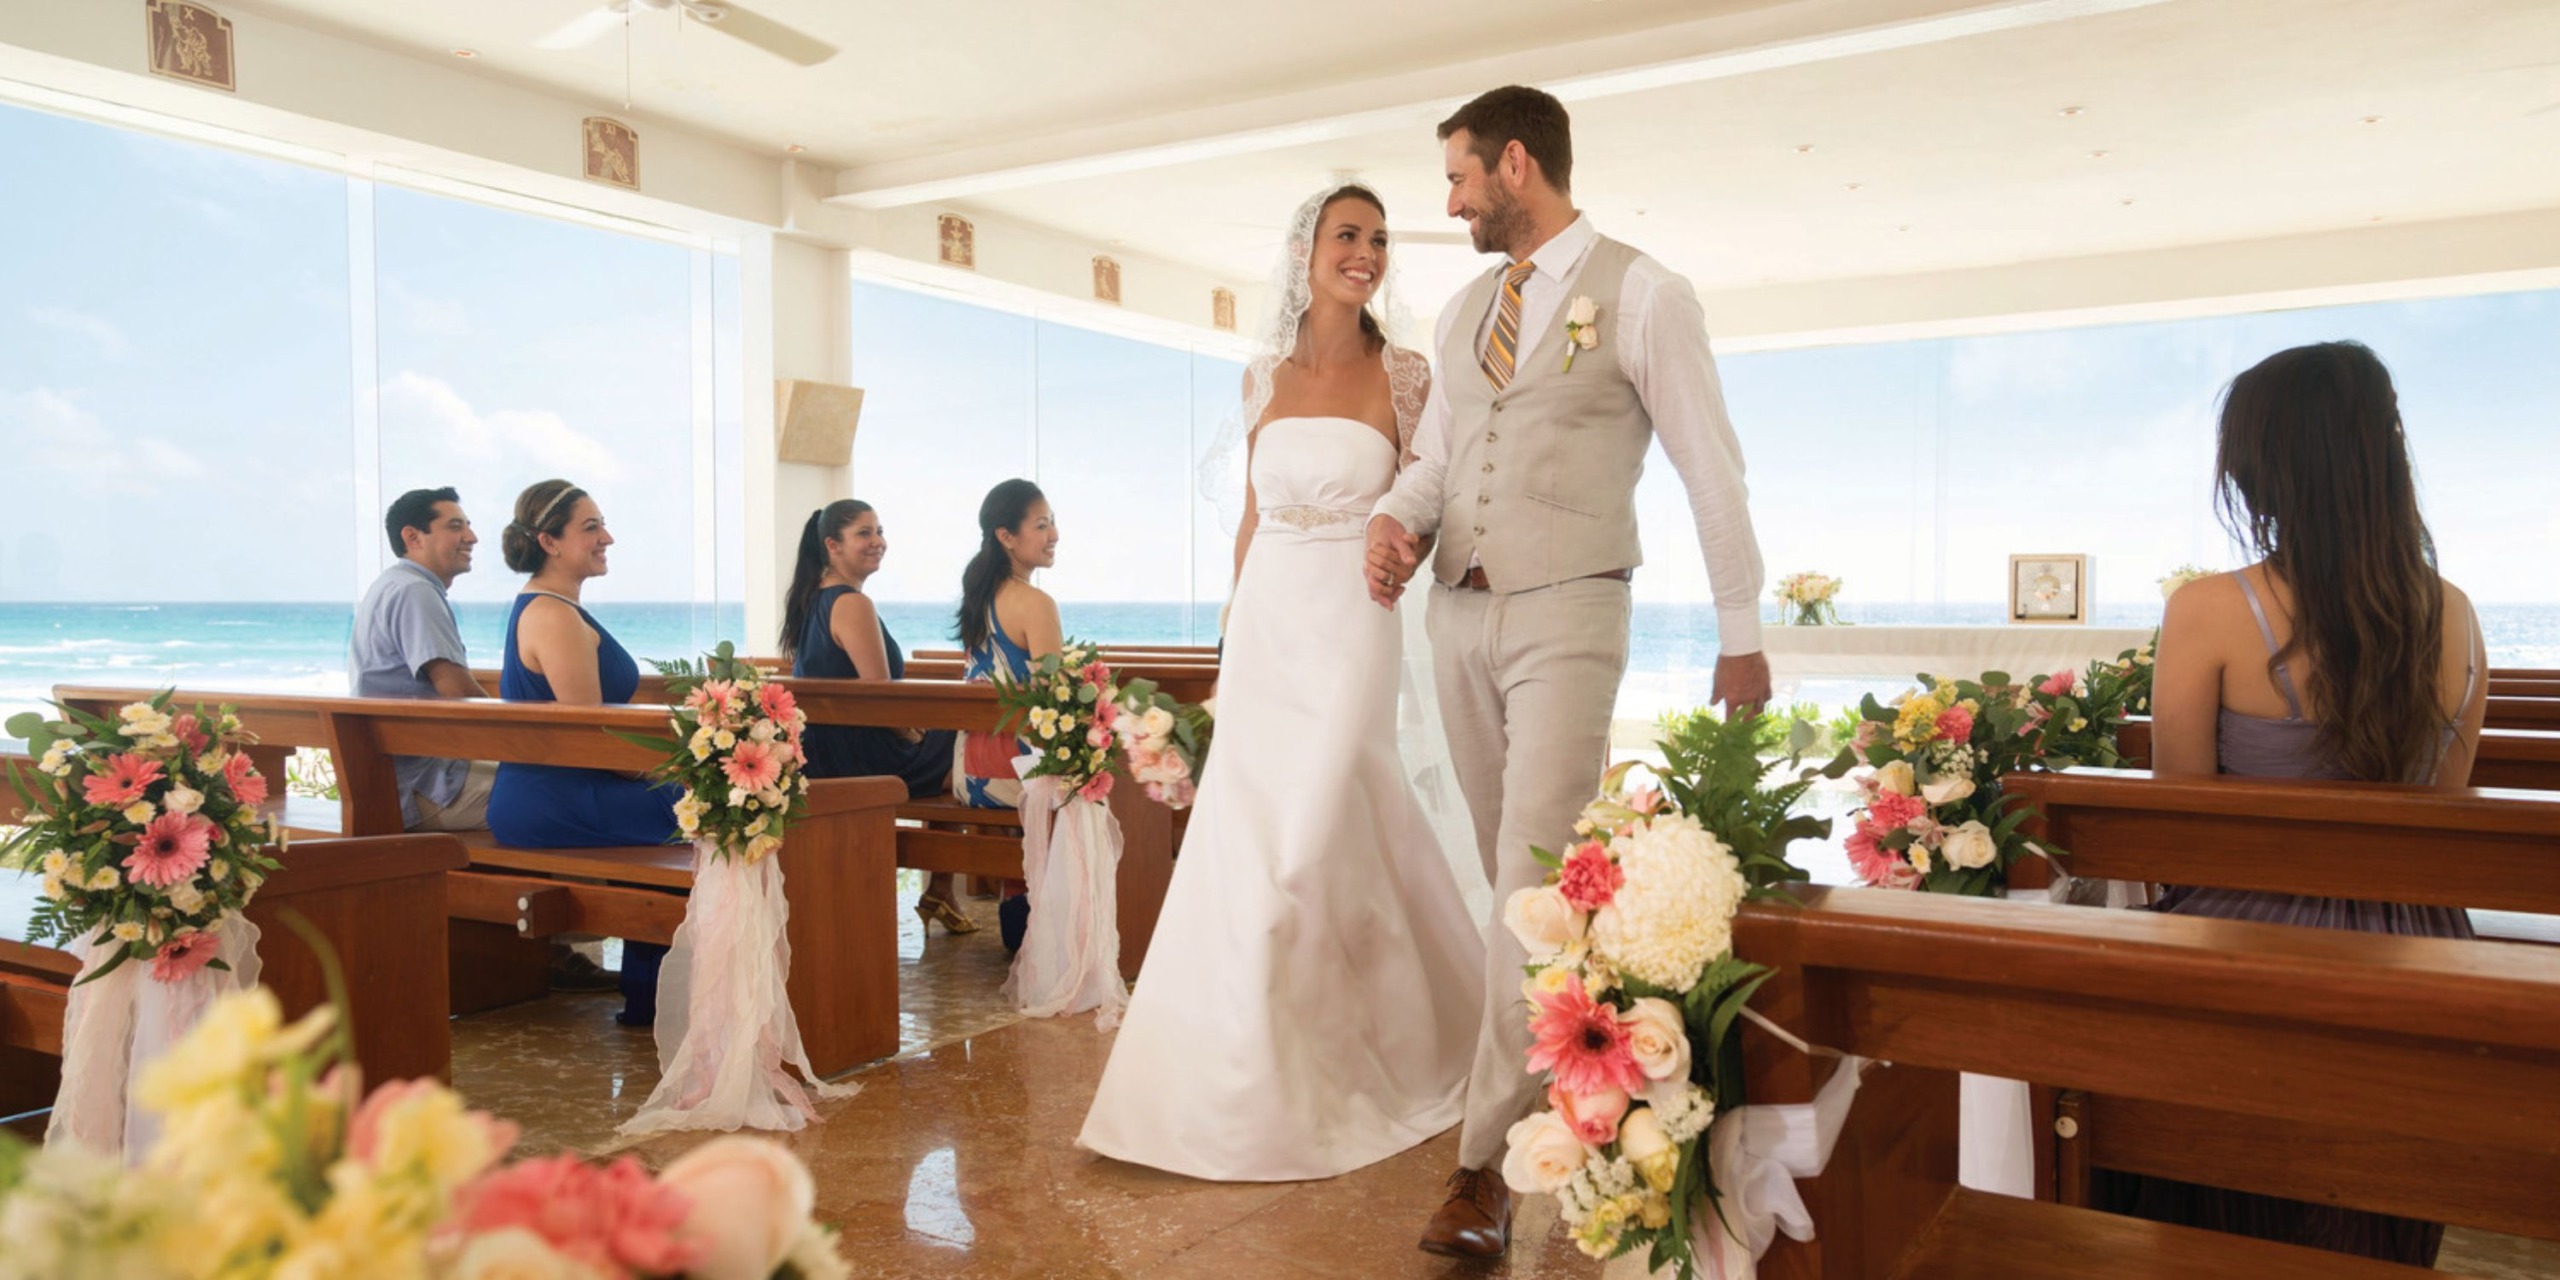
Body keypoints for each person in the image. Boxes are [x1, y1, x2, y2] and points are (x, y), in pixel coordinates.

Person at [1365, 86, 1771, 1258]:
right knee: (1518, 894)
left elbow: (1710, 470)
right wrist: (1393, 521)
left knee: (1526, 866)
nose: (1448, 203)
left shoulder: (1644, 291)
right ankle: (1578, 1099)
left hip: (1570, 612)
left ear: (1515, 163)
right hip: (1457, 612)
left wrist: (1739, 629)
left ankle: (1481, 1166)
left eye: (1457, 178)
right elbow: (1437, 459)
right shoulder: (1460, 312)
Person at [1078, 184, 1485, 1182]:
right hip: (1266, 616)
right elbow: (1253, 516)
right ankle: (1239, 1066)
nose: (1366, 253)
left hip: (1356, 607)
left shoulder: (1410, 372)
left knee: (1318, 817)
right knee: (1260, 836)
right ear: (1305, 251)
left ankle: (1380, 1054)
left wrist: (1408, 544)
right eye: (1348, 235)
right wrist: (1229, 630)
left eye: (1379, 239)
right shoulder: (1260, 375)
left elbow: (1429, 494)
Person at [2096, 341, 2486, 1265]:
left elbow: (2176, 831)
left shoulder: (2208, 610)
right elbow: (2447, 812)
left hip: (2246, 955)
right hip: (2418, 959)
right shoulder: (2458, 614)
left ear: (2262, 469)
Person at [484, 478, 683, 1028]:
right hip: (555, 799)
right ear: (549, 541)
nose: (607, 538)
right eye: (591, 527)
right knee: (707, 810)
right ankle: (660, 996)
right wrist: (682, 769)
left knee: (689, 803)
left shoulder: (553, 608)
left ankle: (653, 991)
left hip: (555, 793)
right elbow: (588, 740)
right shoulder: (552, 615)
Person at [779, 499, 970, 933]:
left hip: (826, 750)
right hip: (861, 758)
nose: (878, 541)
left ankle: (943, 887)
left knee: (951, 741)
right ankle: (952, 879)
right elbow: (880, 700)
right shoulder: (851, 604)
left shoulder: (812, 601)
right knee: (967, 748)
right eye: (864, 533)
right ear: (833, 545)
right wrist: (912, 733)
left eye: (879, 531)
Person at [949, 479, 1062, 952]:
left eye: (1052, 521)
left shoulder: (979, 598)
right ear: (1006, 536)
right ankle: (1043, 919)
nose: (1054, 533)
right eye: (1041, 524)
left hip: (969, 767)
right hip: (1013, 771)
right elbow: (1054, 702)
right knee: (1114, 786)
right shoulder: (1035, 604)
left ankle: (1020, 904)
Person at [348, 487, 492, 830]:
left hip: (408, 775)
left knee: (554, 788)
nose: (471, 537)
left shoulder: (393, 583)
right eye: (455, 526)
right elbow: (458, 691)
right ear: (413, 537)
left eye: (468, 526)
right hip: (424, 787)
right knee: (562, 800)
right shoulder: (415, 591)